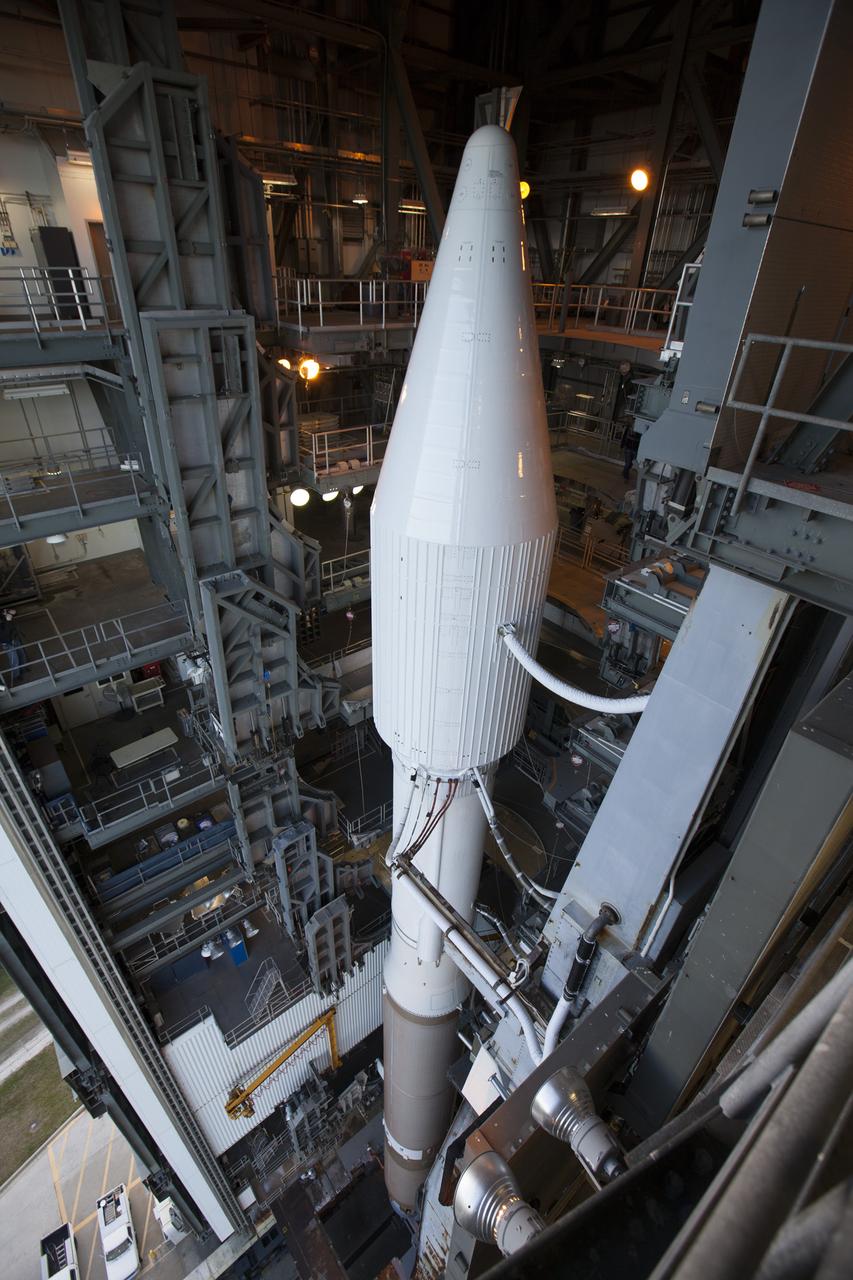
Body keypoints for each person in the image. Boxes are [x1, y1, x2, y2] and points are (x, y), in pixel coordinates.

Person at [0, 608, 25, 687]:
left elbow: (13, 613)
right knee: (14, 660)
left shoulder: (1, 614)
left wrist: (11, 612)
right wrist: (8, 621)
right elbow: (4, 635)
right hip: (7, 643)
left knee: (21, 654)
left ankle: (22, 669)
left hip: (14, 638)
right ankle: (16, 675)